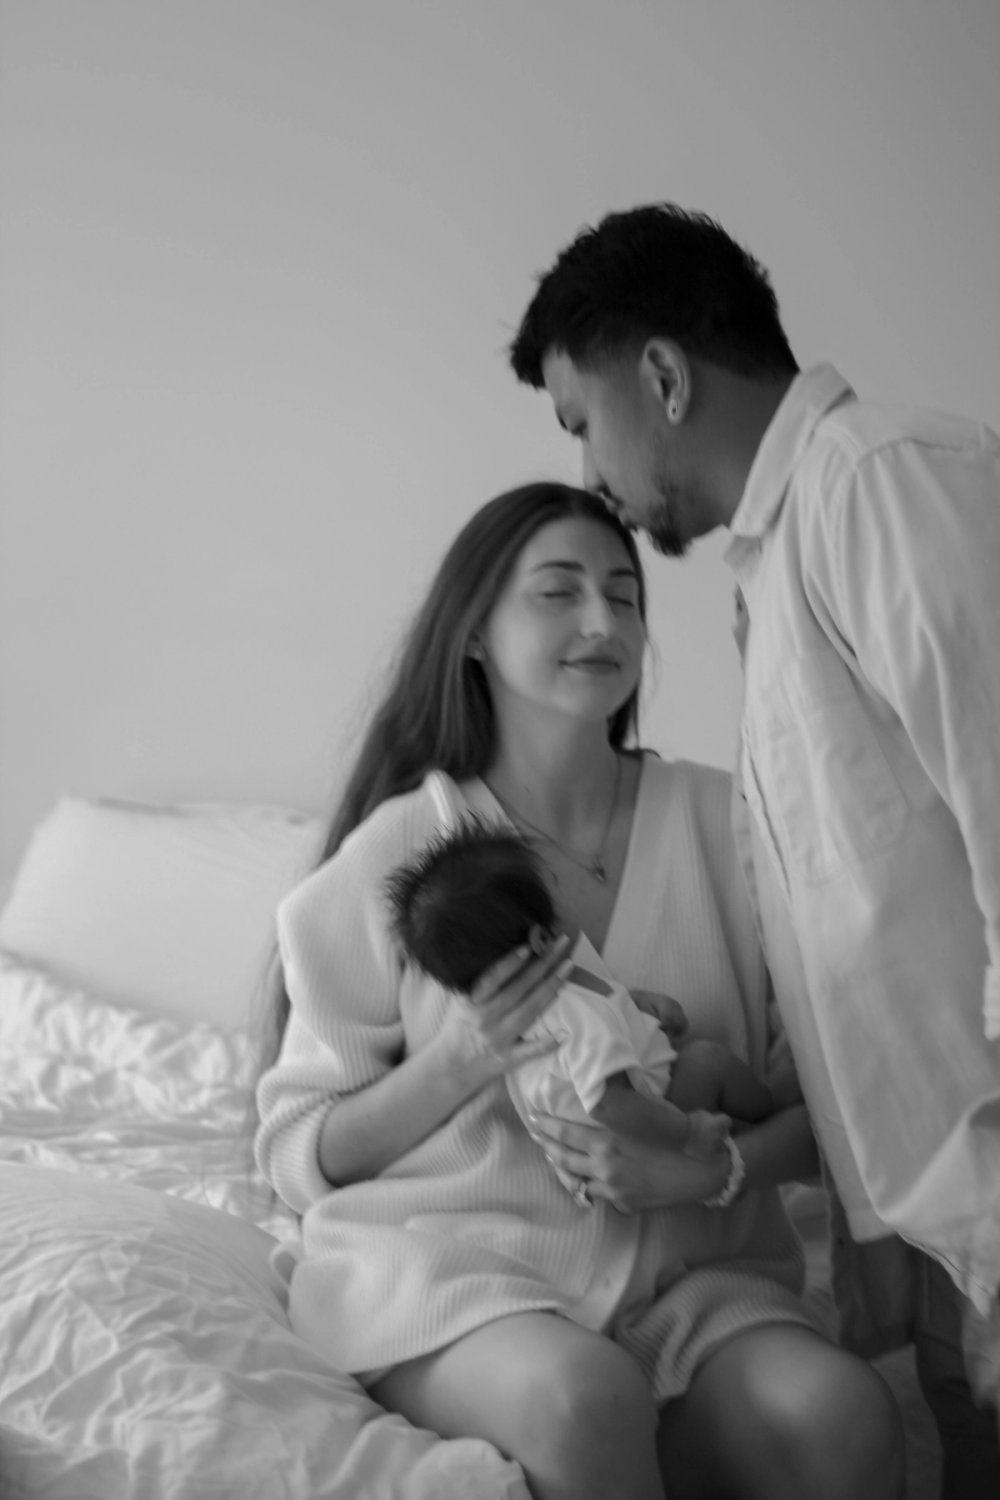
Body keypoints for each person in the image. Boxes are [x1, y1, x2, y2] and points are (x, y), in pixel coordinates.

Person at [255, 481, 903, 1500]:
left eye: (624, 596)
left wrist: (710, 1174)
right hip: (453, 1277)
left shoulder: (731, 826)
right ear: (472, 633)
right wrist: (465, 1059)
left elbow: (832, 1111)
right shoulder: (400, 855)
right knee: (584, 1398)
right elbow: (298, 1157)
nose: (602, 622)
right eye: (557, 592)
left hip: (694, 1286)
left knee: (841, 1416)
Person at [509, 202, 1000, 1497]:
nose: (588, 470)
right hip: (946, 1234)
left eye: (580, 420)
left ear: (661, 376)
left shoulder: (882, 484)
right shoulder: (772, 573)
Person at [386, 814, 782, 1199]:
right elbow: (609, 1103)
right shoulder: (570, 1012)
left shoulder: (525, 1015)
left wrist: (643, 1005)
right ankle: (775, 1110)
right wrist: (687, 1134)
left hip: (616, 1138)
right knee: (708, 1061)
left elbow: (604, 1008)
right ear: (542, 938)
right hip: (634, 1141)